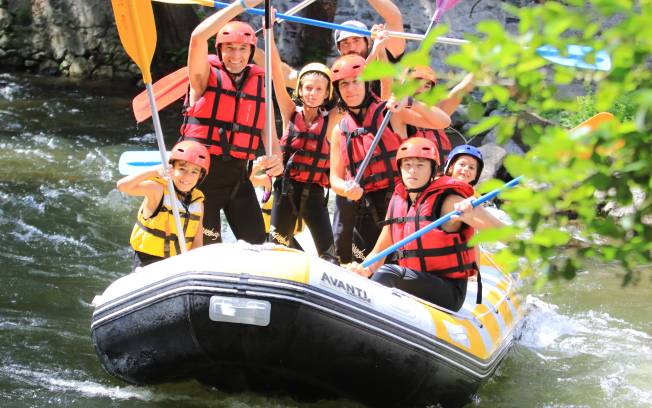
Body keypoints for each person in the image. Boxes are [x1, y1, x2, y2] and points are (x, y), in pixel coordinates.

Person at [346, 137, 500, 311]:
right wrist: (363, 270)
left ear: (433, 170)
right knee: (372, 271)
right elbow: (379, 252)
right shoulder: (397, 201)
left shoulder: (450, 201)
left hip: (448, 290)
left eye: (420, 165)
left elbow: (504, 233)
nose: (413, 171)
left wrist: (476, 212)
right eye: (407, 165)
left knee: (388, 273)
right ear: (400, 169)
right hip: (414, 279)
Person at [329, 55, 450, 264]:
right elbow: (334, 179)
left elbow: (443, 121)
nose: (350, 89)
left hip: (399, 204)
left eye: (356, 82)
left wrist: (411, 102)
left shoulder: (390, 112)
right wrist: (346, 188)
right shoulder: (340, 130)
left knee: (396, 266)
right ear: (338, 90)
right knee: (361, 265)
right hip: (365, 210)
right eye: (344, 84)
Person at [180, 0, 283, 245]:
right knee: (209, 250)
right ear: (219, 50)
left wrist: (277, 161)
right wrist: (243, 4)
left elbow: (271, 138)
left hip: (238, 180)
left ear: (251, 52)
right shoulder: (202, 77)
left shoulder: (259, 85)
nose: (236, 55)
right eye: (229, 48)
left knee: (258, 246)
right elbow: (197, 37)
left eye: (242, 48)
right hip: (201, 182)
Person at [265, 18, 337, 260]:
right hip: (285, 191)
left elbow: (355, 82)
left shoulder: (331, 121)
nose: (312, 93)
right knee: (275, 251)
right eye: (308, 88)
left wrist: (377, 50)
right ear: (299, 89)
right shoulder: (289, 112)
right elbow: (276, 73)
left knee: (329, 255)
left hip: (314, 195)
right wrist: (269, 30)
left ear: (327, 93)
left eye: (319, 89)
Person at [254, 0, 405, 95]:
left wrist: (380, 48)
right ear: (339, 50)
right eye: (345, 43)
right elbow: (284, 74)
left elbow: (394, 18)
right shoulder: (333, 79)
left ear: (369, 43)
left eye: (356, 40)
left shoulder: (385, 58)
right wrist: (248, 46)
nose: (351, 47)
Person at [117, 141, 210, 271]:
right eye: (182, 169)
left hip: (178, 263)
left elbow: (197, 241)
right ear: (171, 169)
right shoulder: (158, 189)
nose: (187, 176)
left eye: (194, 172)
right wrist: (154, 171)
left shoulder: (198, 202)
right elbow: (122, 186)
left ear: (200, 176)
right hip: (148, 262)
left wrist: (191, 266)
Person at [406, 65, 475, 164]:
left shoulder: (439, 111)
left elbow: (464, 87)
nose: (422, 90)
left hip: (439, 169)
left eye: (427, 86)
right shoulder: (397, 113)